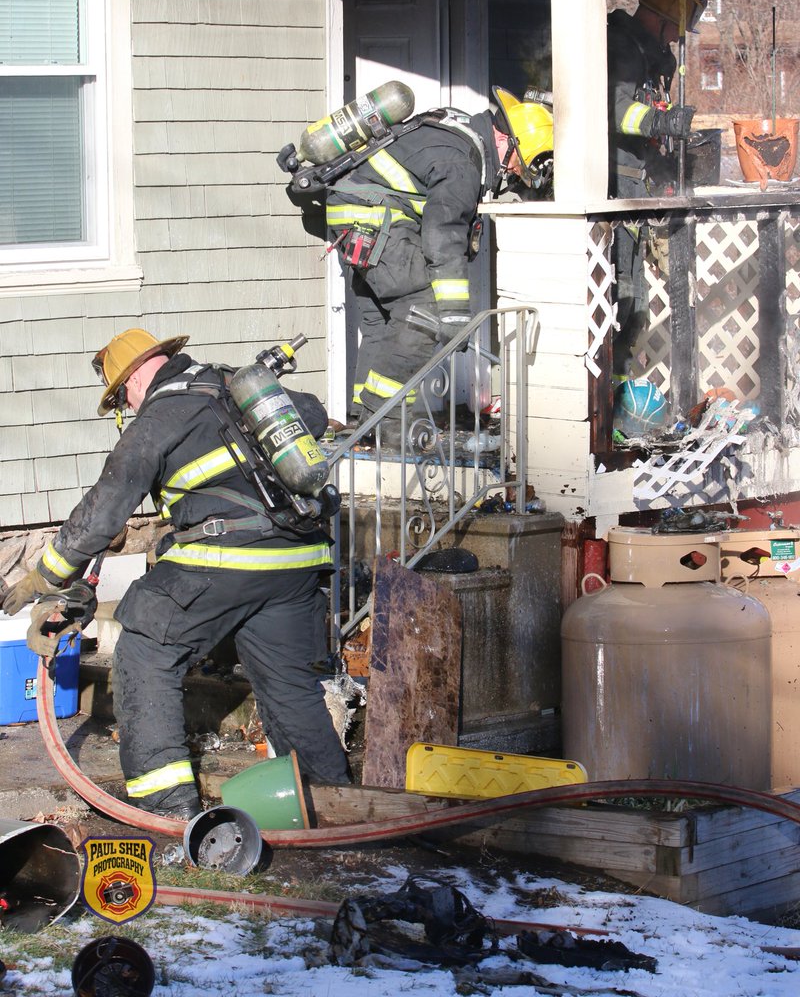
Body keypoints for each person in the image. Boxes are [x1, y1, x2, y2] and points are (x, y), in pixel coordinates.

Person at [1, 329, 350, 819]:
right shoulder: (233, 385)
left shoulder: (159, 416)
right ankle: (335, 804)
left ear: (138, 375)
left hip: (229, 557)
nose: (125, 407)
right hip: (296, 560)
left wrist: (45, 577)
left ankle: (166, 810)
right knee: (291, 688)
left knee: (144, 649)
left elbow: (102, 511)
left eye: (121, 395)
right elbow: (313, 415)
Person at [321, 87, 550, 443]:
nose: (511, 172)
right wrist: (455, 311)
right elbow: (444, 234)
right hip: (375, 220)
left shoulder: (453, 130)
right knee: (424, 314)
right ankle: (386, 422)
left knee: (383, 322)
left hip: (352, 215)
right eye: (515, 160)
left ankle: (365, 423)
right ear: (503, 138)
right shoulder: (462, 164)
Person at [607, 0, 707, 378]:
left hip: (639, 184)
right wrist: (660, 123)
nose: (674, 42)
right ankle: (607, 404)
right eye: (674, 32)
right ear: (659, 19)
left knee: (636, 309)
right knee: (624, 301)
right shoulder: (622, 49)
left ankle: (619, 394)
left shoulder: (648, 57)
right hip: (618, 186)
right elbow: (613, 109)